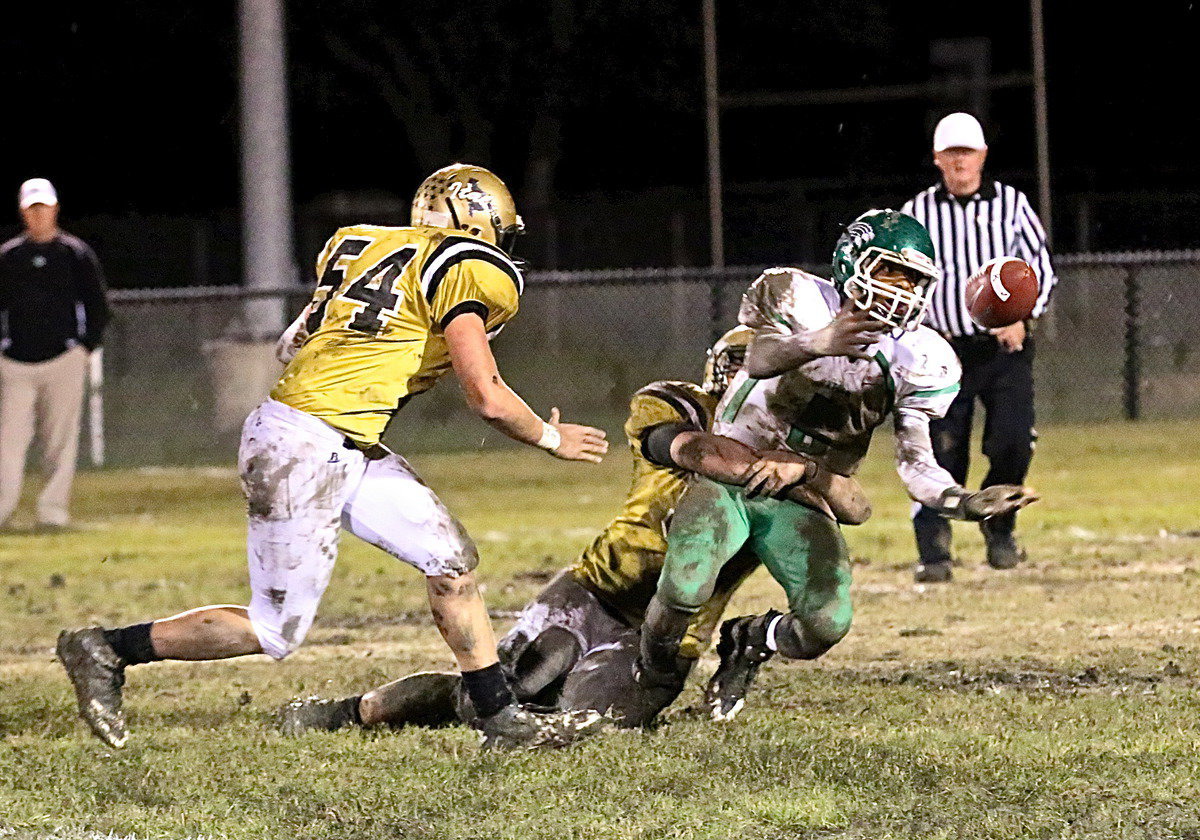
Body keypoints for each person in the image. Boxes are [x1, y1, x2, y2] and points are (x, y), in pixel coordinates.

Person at [56, 163, 611, 751]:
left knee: (449, 562)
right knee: (276, 629)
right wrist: (552, 440)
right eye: (498, 230)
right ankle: (108, 648)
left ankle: (499, 717)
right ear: (474, 222)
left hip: (339, 440)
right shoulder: (470, 267)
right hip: (305, 446)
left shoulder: (359, 242)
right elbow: (488, 397)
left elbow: (289, 344)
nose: (502, 244)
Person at [276, 328, 872, 735]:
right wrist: (780, 471)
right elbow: (692, 451)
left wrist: (811, 472)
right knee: (499, 692)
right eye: (738, 373)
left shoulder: (794, 456)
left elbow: (855, 507)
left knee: (585, 720)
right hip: (593, 589)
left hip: (673, 632)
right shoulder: (674, 404)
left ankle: (737, 647)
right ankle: (355, 710)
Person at [634, 210, 1039, 722]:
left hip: (803, 492)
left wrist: (961, 501)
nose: (902, 291)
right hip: (735, 470)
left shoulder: (920, 356)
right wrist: (819, 341)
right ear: (854, 260)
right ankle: (650, 676)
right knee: (684, 586)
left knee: (826, 622)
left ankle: (751, 639)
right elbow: (758, 358)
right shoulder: (797, 296)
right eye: (891, 272)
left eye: (914, 280)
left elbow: (917, 464)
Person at [902, 112, 1058, 582]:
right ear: (936, 158)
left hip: (1002, 350)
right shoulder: (917, 213)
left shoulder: (1011, 205)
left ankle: (1000, 526)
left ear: (983, 156)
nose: (960, 162)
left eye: (967, 153)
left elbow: (1041, 267)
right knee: (939, 450)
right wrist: (918, 327)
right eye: (951, 154)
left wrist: (1022, 316)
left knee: (1013, 442)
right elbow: (901, 278)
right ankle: (934, 550)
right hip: (940, 353)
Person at [0, 178, 110, 530]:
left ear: (55, 209)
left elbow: (97, 305)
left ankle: (52, 514)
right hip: (15, 363)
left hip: (63, 361)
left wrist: (83, 347)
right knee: (8, 443)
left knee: (59, 443)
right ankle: (3, 510)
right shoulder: (9, 257)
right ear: (23, 212)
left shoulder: (74, 254)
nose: (39, 215)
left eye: (43, 207)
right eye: (32, 208)